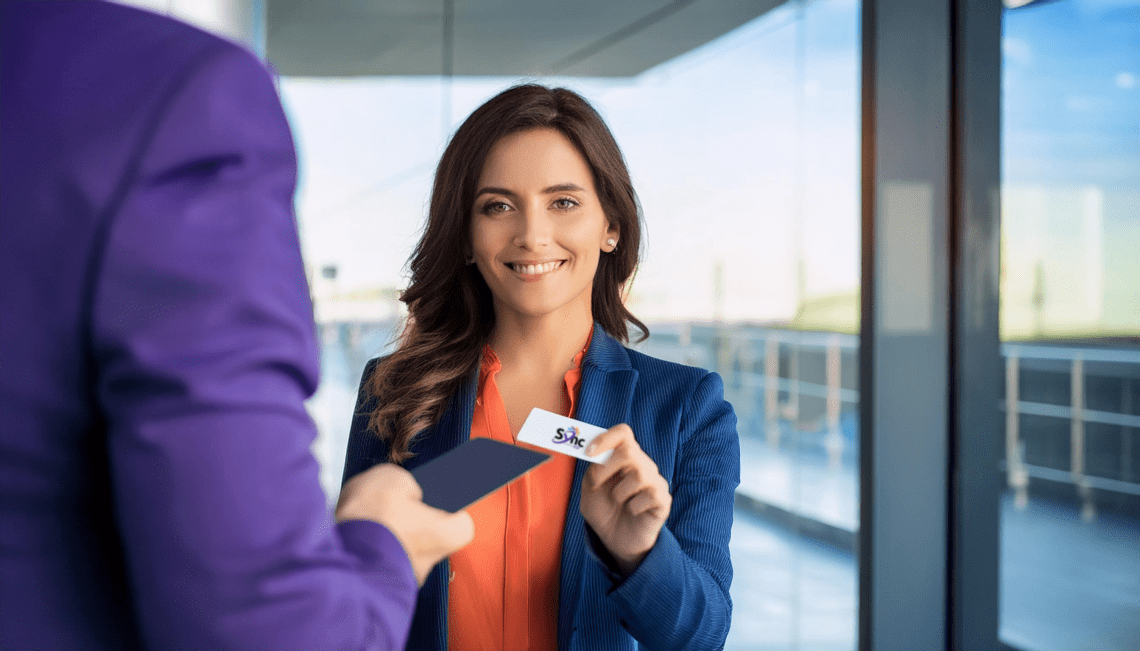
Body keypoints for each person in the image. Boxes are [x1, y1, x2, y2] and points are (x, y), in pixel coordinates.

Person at [0, 2, 472, 650]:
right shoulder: (167, 97)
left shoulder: (658, 397)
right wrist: (382, 546)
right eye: (495, 205)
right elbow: (269, 623)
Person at [343, 84, 741, 651]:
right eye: (497, 206)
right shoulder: (397, 392)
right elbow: (351, 608)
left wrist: (638, 552)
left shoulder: (684, 407)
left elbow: (702, 635)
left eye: (564, 202)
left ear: (611, 227)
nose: (531, 234)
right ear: (466, 236)